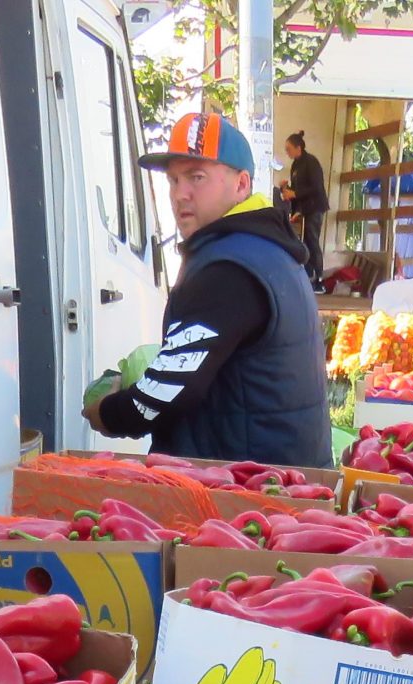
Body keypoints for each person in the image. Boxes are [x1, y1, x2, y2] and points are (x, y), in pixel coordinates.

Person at [85, 113, 331, 466]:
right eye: (173, 180)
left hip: (246, 496)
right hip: (280, 481)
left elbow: (166, 393)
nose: (179, 194)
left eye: (196, 177)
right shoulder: (266, 249)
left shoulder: (228, 268)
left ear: (242, 185)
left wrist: (106, 413)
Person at [281, 132, 330, 287]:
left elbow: (316, 187)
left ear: (298, 147)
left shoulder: (311, 162)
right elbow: (296, 189)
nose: (287, 152)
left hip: (315, 207)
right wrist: (286, 190)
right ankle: (308, 276)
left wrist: (295, 193)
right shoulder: (295, 165)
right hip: (302, 209)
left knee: (312, 240)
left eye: (289, 149)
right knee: (304, 243)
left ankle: (320, 278)